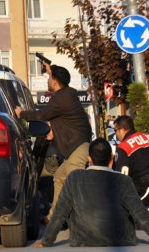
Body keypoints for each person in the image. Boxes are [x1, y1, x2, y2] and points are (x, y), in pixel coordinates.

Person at [34, 139, 149, 247]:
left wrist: (46, 241)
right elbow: (140, 214)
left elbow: (60, 213)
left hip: (82, 240)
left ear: (89, 159)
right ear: (112, 159)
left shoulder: (74, 178)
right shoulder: (123, 181)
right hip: (122, 240)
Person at [14, 63, 92, 218]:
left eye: (49, 78)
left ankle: (86, 220)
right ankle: (54, 217)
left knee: (75, 185)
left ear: (55, 81)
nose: (48, 81)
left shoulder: (61, 98)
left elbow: (43, 115)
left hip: (77, 147)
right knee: (59, 178)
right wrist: (51, 68)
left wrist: (21, 113)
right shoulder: (68, 94)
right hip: (75, 146)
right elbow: (63, 120)